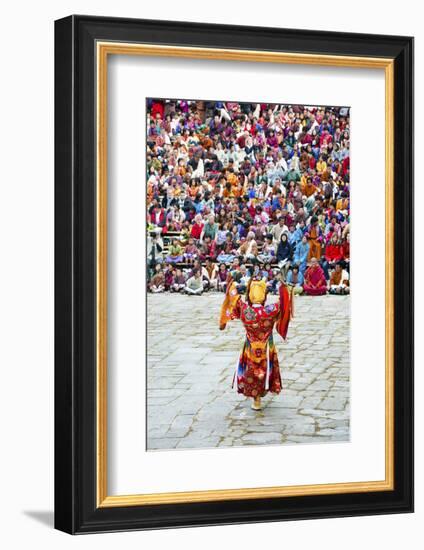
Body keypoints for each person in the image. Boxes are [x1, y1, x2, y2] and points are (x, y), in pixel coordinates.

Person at [219, 274, 293, 411]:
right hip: (266, 348)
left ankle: (256, 399)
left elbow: (233, 296)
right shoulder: (269, 311)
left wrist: (233, 282)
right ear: (264, 294)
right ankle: (263, 390)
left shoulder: (245, 310)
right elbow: (284, 304)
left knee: (252, 371)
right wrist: (283, 287)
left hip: (250, 348)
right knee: (265, 369)